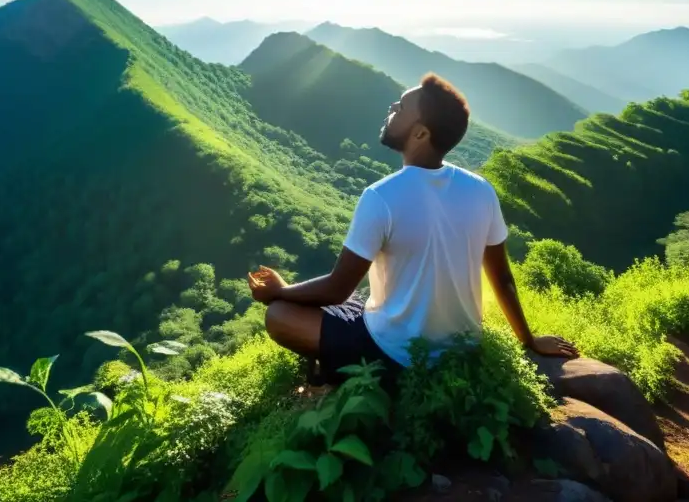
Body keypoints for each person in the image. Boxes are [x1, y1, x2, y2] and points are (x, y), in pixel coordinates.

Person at [247, 73, 578, 386]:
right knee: (366, 298)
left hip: (398, 355)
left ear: (420, 133)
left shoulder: (381, 196)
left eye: (401, 107)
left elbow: (337, 289)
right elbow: (502, 278)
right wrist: (529, 339)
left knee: (279, 315)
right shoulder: (481, 189)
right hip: (463, 346)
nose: (392, 108)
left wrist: (279, 291)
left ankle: (354, 377)